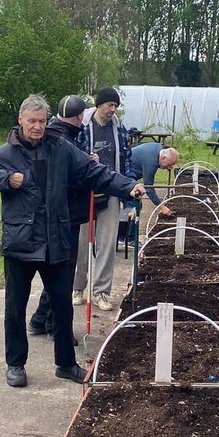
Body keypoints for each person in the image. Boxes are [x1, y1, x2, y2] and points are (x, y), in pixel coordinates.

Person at [0, 94, 145, 387]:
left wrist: (127, 186)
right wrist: (6, 179)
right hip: (21, 243)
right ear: (21, 120)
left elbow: (93, 172)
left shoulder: (60, 148)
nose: (37, 127)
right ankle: (15, 364)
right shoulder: (5, 153)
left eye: (41, 121)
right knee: (15, 307)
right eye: (31, 121)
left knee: (62, 306)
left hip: (55, 240)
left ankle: (65, 363)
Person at [27, 95, 88, 339]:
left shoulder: (59, 135)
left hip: (61, 214)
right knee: (62, 272)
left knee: (57, 271)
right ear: (79, 116)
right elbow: (66, 178)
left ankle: (40, 319)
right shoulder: (61, 140)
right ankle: (54, 324)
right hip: (65, 216)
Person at [72, 86, 135, 311]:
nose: (113, 109)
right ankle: (78, 287)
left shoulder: (120, 130)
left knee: (107, 245)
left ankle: (101, 292)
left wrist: (127, 188)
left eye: (116, 105)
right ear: (99, 104)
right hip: (85, 191)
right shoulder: (82, 127)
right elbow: (72, 154)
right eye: (109, 104)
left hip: (110, 191)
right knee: (81, 243)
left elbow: (126, 159)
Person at [129, 142, 179, 216]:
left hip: (130, 172)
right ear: (164, 157)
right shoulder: (151, 162)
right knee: (133, 205)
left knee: (137, 204)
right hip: (124, 175)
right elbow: (149, 188)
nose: (170, 167)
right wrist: (161, 207)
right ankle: (130, 225)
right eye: (170, 164)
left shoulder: (158, 148)